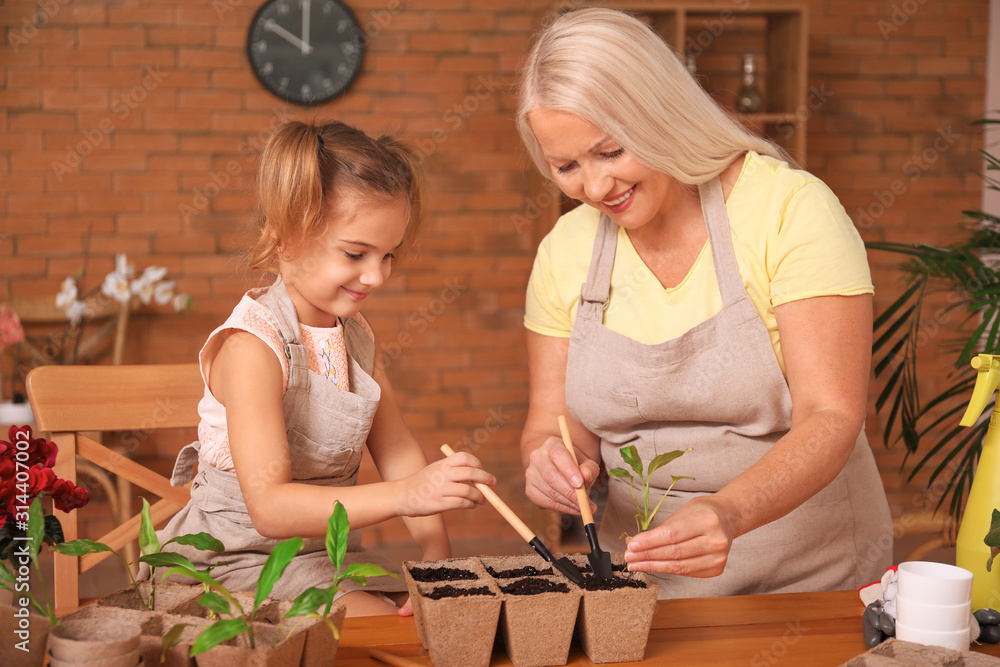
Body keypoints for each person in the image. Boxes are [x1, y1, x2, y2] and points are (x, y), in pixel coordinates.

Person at [516, 8, 892, 599]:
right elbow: (552, 420)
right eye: (566, 166)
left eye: (611, 151)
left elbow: (832, 415)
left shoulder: (788, 210)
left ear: (659, 114)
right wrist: (551, 460)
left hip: (807, 581)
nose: (594, 188)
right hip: (642, 578)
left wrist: (731, 513)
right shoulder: (565, 250)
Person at [150, 120, 494, 616]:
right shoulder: (253, 348)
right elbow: (269, 508)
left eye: (389, 255)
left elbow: (397, 450)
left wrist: (435, 559)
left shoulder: (355, 336)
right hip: (231, 565)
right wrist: (403, 496)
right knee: (397, 636)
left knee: (450, 616)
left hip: (320, 559)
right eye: (356, 253)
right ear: (289, 236)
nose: (376, 275)